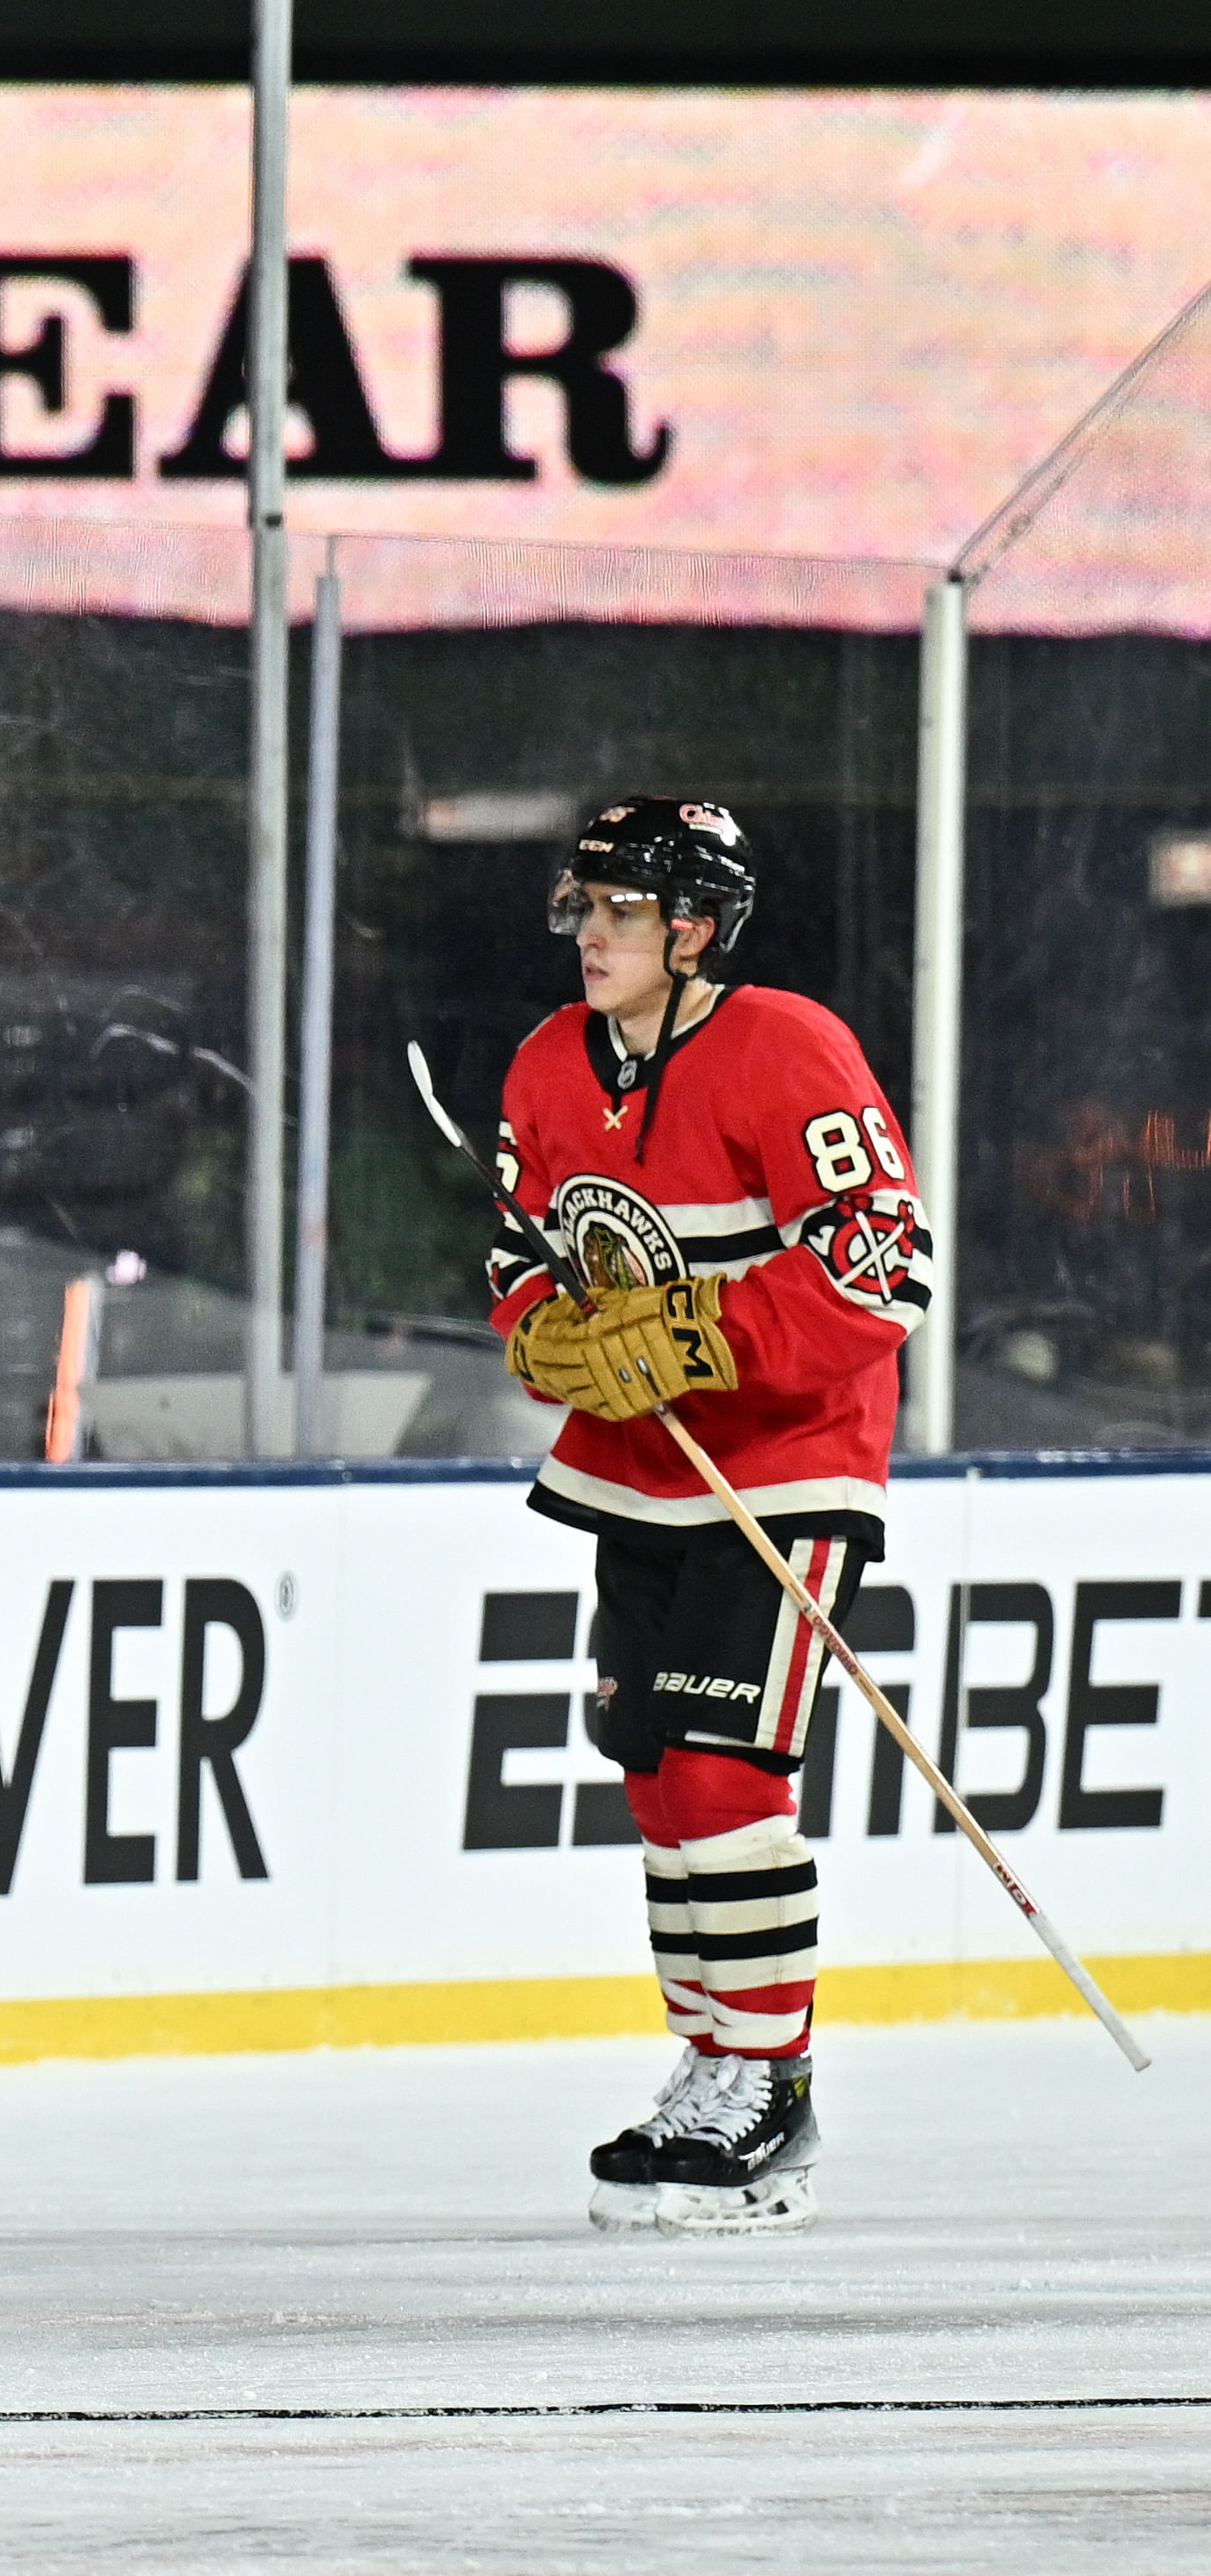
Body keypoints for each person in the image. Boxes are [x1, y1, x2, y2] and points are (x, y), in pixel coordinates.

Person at [488, 798, 929, 2233]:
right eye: (581, 907)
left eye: (618, 910)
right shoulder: (550, 1066)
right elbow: (516, 1250)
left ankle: (771, 2080)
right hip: (635, 1472)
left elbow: (883, 1271)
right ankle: (710, 2058)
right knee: (656, 1777)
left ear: (692, 928)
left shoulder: (787, 1045)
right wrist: (544, 1332)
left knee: (729, 1775)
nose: (588, 933)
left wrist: (704, 1333)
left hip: (785, 1468)